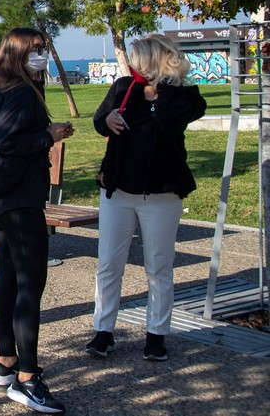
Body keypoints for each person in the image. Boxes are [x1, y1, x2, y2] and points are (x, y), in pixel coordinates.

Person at [86, 34, 206, 362]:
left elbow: (178, 115)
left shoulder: (182, 95)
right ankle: (103, 331)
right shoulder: (123, 88)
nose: (131, 64)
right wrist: (106, 120)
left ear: (155, 60)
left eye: (137, 58)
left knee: (159, 266)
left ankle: (156, 335)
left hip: (162, 194)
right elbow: (100, 120)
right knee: (109, 264)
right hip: (118, 192)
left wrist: (159, 88)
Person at [0, 28, 73, 414]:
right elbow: (4, 141)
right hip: (20, 200)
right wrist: (47, 136)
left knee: (11, 280)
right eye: (36, 50)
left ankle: (6, 363)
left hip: (3, 198)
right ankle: (28, 378)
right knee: (29, 286)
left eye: (44, 50)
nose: (42, 56)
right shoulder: (19, 92)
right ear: (18, 53)